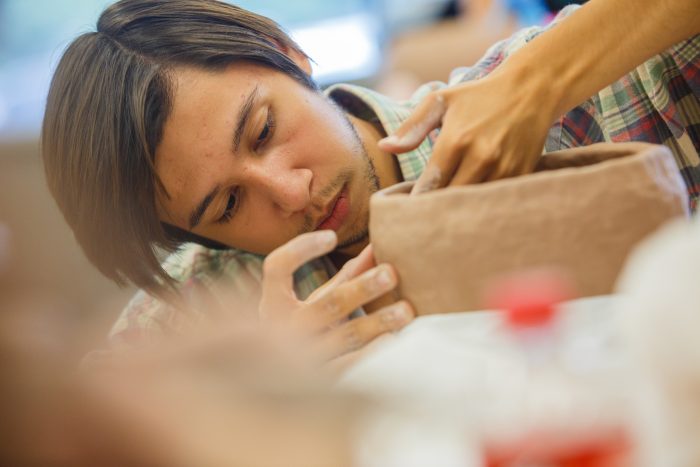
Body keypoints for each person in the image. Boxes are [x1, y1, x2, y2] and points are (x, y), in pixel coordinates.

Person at [42, 0, 699, 357]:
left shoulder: (547, 95)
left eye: (264, 129)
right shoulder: (187, 326)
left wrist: (542, 75)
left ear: (290, 56)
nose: (293, 191)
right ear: (196, 239)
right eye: (230, 203)